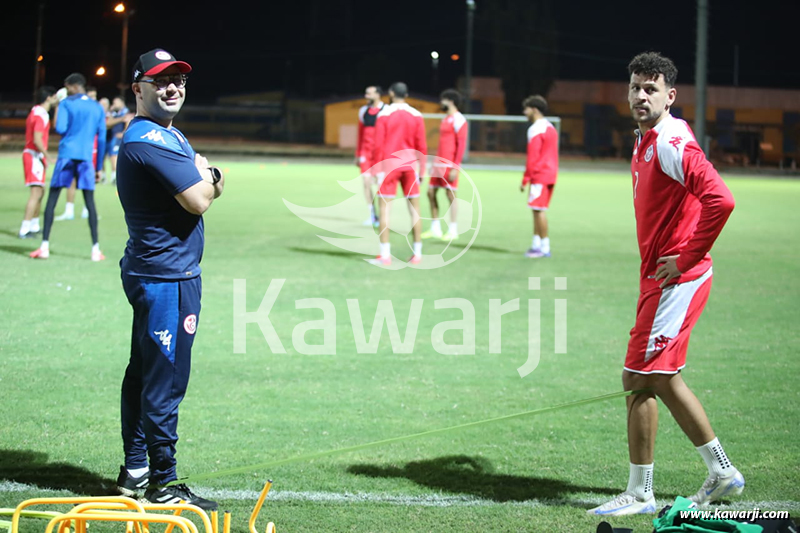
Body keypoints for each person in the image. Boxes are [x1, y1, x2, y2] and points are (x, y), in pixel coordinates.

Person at [588, 52, 741, 516]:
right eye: (635, 86)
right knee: (656, 377)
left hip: (678, 278)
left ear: (670, 96)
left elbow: (722, 200)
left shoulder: (672, 141)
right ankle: (720, 472)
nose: (640, 95)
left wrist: (687, 256)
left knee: (641, 377)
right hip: (660, 278)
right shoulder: (645, 138)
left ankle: (643, 492)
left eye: (651, 89)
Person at [114, 48, 224, 511]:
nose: (173, 87)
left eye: (178, 79)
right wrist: (213, 175)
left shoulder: (165, 134)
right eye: (160, 81)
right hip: (166, 278)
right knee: (165, 378)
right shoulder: (149, 139)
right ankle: (162, 481)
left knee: (145, 371)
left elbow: (198, 187)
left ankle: (135, 468)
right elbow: (199, 198)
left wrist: (205, 175)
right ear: (138, 88)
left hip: (159, 271)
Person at [30, 73, 106, 260]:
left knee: (53, 199)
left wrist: (59, 106)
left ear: (72, 86)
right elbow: (102, 138)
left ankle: (44, 246)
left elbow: (61, 128)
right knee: (90, 202)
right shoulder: (97, 107)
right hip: (86, 158)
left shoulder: (66, 103)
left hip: (66, 156)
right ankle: (95, 249)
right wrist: (99, 167)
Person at [370, 82, 427, 266]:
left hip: (389, 166)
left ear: (392, 93)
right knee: (415, 211)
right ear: (407, 94)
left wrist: (376, 169)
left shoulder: (384, 114)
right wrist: (423, 169)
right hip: (410, 166)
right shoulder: (416, 115)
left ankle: (385, 255)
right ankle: (417, 254)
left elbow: (378, 145)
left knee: (385, 210)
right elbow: (422, 145)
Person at [422, 88, 467, 241]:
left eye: (443, 100)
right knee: (430, 193)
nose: (441, 103)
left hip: (449, 165)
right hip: (438, 164)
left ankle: (453, 230)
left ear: (451, 101)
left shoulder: (459, 119)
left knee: (450, 195)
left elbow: (461, 146)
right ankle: (435, 228)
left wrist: (456, 167)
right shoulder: (445, 119)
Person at [519, 95, 558, 258]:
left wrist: (525, 178)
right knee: (536, 210)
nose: (524, 112)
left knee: (538, 210)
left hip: (540, 175)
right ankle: (536, 244)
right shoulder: (550, 127)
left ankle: (544, 248)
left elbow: (533, 157)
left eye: (526, 109)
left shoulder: (535, 129)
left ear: (534, 109)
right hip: (550, 174)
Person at [19, 86, 58, 238]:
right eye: (54, 96)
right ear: (48, 98)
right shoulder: (41, 115)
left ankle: (34, 225)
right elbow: (37, 138)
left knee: (40, 192)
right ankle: (24, 228)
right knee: (36, 193)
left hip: (35, 156)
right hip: (33, 155)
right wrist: (48, 156)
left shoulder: (35, 111)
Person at [356, 86, 384, 227]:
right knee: (366, 183)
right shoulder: (363, 111)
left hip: (380, 155)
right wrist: (358, 154)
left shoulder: (386, 110)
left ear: (378, 94)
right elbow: (360, 134)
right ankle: (372, 215)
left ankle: (383, 215)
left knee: (380, 185)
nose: (366, 95)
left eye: (369, 93)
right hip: (366, 153)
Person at [106, 96, 134, 183]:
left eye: (116, 102)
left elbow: (128, 122)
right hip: (111, 137)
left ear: (122, 102)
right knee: (111, 156)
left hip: (118, 138)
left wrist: (123, 133)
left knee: (114, 156)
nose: (114, 105)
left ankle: (116, 176)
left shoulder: (126, 112)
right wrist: (111, 111)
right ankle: (111, 175)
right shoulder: (115, 113)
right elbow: (108, 124)